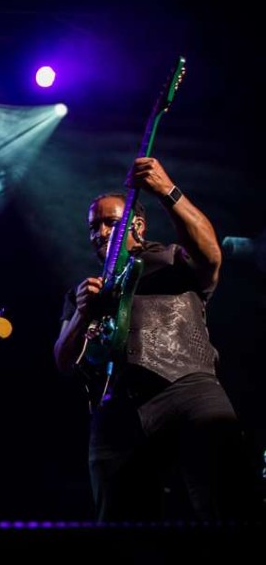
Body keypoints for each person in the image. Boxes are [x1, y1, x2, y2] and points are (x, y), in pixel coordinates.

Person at [54, 156, 259, 523]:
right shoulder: (83, 292)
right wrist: (85, 312)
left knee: (227, 506)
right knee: (119, 520)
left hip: (188, 387)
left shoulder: (171, 259)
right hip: (119, 406)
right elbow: (64, 361)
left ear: (138, 225)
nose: (99, 233)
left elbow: (211, 256)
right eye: (93, 227)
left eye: (110, 223)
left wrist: (167, 190)